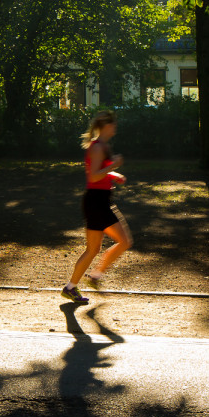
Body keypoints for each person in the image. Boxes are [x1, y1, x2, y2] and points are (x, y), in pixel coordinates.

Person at [61, 110, 133, 304]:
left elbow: (97, 175)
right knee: (122, 242)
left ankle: (72, 287)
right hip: (97, 201)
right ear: (105, 126)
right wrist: (113, 166)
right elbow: (93, 176)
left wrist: (113, 176)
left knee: (94, 249)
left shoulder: (102, 146)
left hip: (99, 200)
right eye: (113, 124)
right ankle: (94, 276)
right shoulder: (98, 147)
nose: (115, 127)